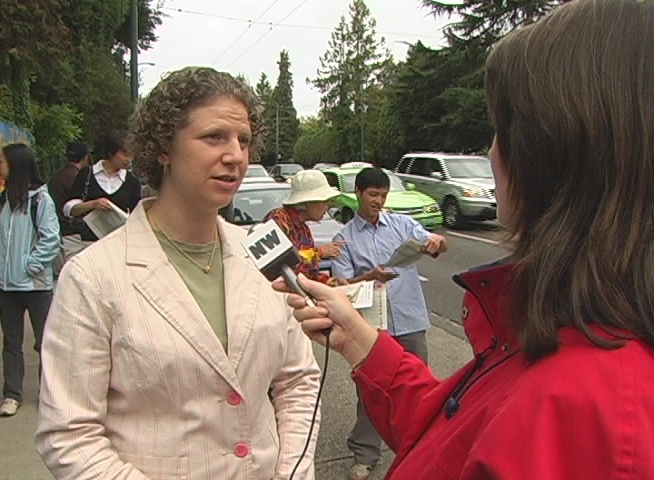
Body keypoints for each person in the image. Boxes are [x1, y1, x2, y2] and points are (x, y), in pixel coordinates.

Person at [275, 0, 654, 478]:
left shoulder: (588, 408)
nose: (490, 153)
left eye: (500, 130)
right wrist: (360, 341)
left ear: (549, 153)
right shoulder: (566, 335)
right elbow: (455, 437)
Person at [36, 67, 321, 480]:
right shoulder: (93, 276)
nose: (236, 156)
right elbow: (69, 434)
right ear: (163, 148)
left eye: (243, 140)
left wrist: (290, 473)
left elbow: (298, 381)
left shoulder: (264, 254)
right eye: (214, 137)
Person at [330, 167, 447, 480]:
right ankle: (365, 454)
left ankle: (421, 450)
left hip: (409, 318)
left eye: (383, 195)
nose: (378, 201)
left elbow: (436, 243)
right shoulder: (344, 239)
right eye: (373, 195)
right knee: (372, 391)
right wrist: (371, 276)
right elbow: (342, 285)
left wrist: (437, 242)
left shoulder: (402, 224)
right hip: (373, 326)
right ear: (358, 193)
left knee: (420, 388)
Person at [0, 143, 60, 417]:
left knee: (44, 341)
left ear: (17, 165)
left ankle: (49, 394)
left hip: (36, 286)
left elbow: (51, 239)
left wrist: (29, 265)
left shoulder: (40, 200)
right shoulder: (4, 200)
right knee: (11, 343)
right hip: (6, 286)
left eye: (3, 161)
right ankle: (12, 394)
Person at [62, 129, 141, 253]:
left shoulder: (132, 181)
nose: (128, 159)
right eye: (124, 154)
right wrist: (93, 204)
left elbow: (136, 213)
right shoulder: (87, 174)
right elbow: (69, 209)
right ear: (111, 153)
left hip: (117, 245)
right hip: (89, 244)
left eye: (131, 155)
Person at [264, 169, 347, 285]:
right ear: (307, 202)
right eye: (325, 201)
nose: (328, 206)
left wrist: (332, 282)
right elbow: (280, 266)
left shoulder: (304, 230)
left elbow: (309, 275)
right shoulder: (278, 221)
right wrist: (319, 253)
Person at [47, 141, 90, 264]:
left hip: (56, 230)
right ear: (85, 158)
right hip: (73, 234)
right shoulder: (80, 179)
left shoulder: (56, 177)